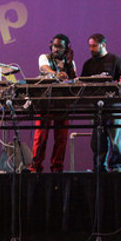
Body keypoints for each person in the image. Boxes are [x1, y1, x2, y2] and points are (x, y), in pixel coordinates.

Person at [29, 34, 77, 173]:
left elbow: (73, 79)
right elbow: (44, 68)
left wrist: (69, 64)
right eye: (54, 46)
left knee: (61, 138)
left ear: (66, 48)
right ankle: (35, 167)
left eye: (60, 47)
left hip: (62, 103)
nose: (56, 49)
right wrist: (57, 74)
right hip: (45, 102)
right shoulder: (44, 57)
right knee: (41, 137)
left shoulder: (70, 62)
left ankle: (57, 168)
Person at [80, 33, 121, 172]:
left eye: (94, 46)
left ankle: (117, 166)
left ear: (103, 45)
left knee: (115, 138)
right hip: (96, 107)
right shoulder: (88, 64)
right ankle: (99, 166)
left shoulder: (115, 60)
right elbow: (83, 84)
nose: (91, 49)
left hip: (113, 106)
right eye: (90, 46)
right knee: (97, 140)